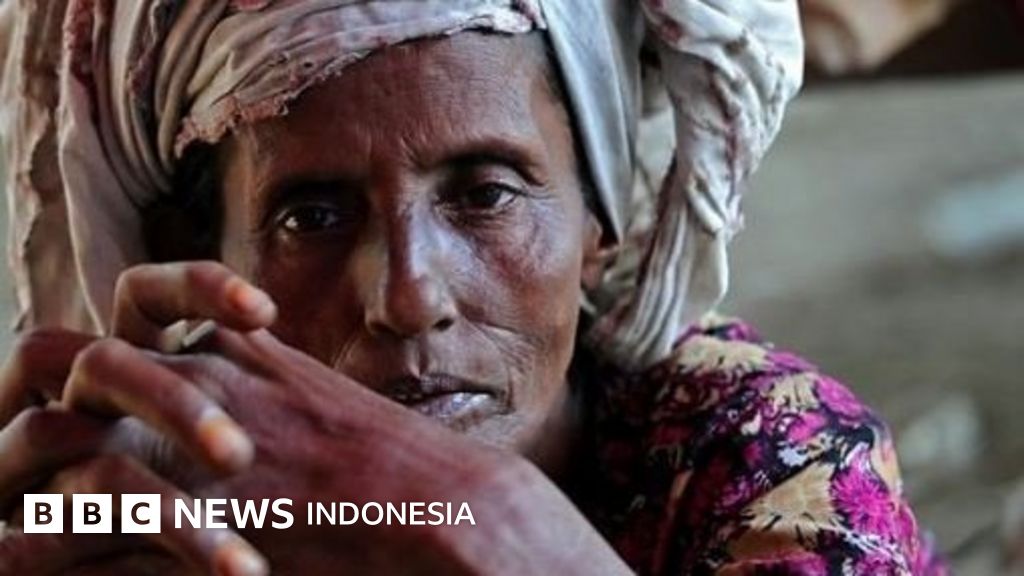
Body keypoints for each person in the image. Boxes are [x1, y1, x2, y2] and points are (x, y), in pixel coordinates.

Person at [0, 0, 946, 574]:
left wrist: (493, 529)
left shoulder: (763, 448)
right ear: (196, 260)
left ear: (599, 222)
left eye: (486, 194)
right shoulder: (158, 508)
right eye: (312, 217)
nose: (410, 298)